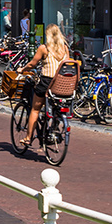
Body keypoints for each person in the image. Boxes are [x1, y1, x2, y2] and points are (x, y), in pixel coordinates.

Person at [22, 25, 79, 154]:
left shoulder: (44, 48)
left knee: (35, 109)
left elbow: (32, 64)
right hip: (63, 85)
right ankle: (54, 126)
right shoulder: (65, 48)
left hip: (47, 83)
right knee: (56, 106)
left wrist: (22, 69)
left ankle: (28, 137)